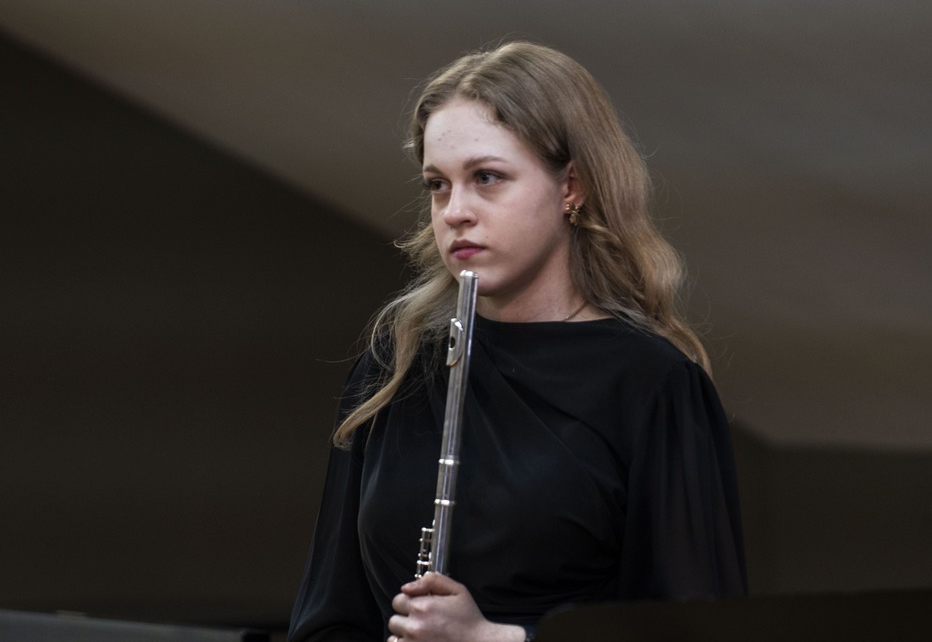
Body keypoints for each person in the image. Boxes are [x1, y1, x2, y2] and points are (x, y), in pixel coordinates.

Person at [288, 41, 747, 642]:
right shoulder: (396, 361)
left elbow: (695, 630)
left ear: (571, 186)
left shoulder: (653, 384)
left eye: (487, 178)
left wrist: (494, 639)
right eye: (438, 184)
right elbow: (329, 613)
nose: (455, 211)